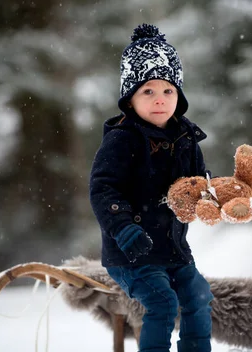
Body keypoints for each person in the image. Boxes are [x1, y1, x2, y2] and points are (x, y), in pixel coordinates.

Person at [89, 23, 214, 352]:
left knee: (199, 296)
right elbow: (103, 189)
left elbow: (199, 182)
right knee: (162, 302)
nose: (160, 100)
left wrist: (214, 196)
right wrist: (123, 226)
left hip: (174, 249)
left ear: (179, 95)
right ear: (130, 99)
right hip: (131, 254)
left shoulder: (186, 139)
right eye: (148, 91)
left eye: (168, 91)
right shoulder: (122, 139)